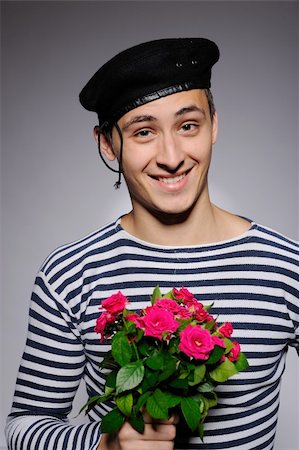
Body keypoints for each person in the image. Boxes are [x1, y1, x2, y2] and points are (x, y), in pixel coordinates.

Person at [6, 38, 298, 450]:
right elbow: (23, 427)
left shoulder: (286, 266)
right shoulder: (70, 274)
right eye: (144, 132)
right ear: (107, 143)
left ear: (214, 125)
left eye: (188, 125)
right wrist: (105, 444)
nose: (171, 156)